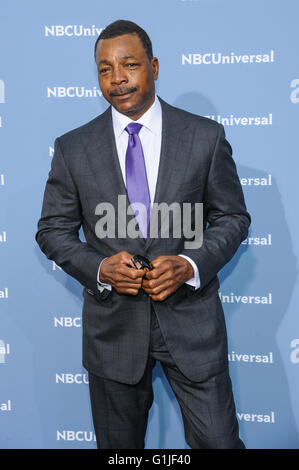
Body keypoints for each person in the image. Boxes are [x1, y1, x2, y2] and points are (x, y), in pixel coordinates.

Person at [36, 19, 250, 449]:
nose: (117, 79)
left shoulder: (205, 137)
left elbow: (233, 218)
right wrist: (100, 267)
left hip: (193, 326)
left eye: (129, 65)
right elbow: (52, 230)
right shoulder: (73, 148)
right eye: (104, 69)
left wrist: (190, 264)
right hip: (112, 333)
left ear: (153, 66)